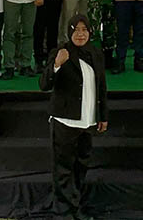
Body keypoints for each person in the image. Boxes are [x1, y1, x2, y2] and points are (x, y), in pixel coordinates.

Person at [40, 15, 109, 220]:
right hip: (65, 121)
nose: (80, 34)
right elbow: (44, 85)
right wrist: (56, 65)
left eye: (84, 30)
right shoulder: (61, 51)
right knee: (63, 169)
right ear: (70, 32)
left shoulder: (95, 53)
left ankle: (75, 206)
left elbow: (101, 86)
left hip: (88, 121)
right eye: (76, 30)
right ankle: (63, 212)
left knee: (81, 165)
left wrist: (102, 115)